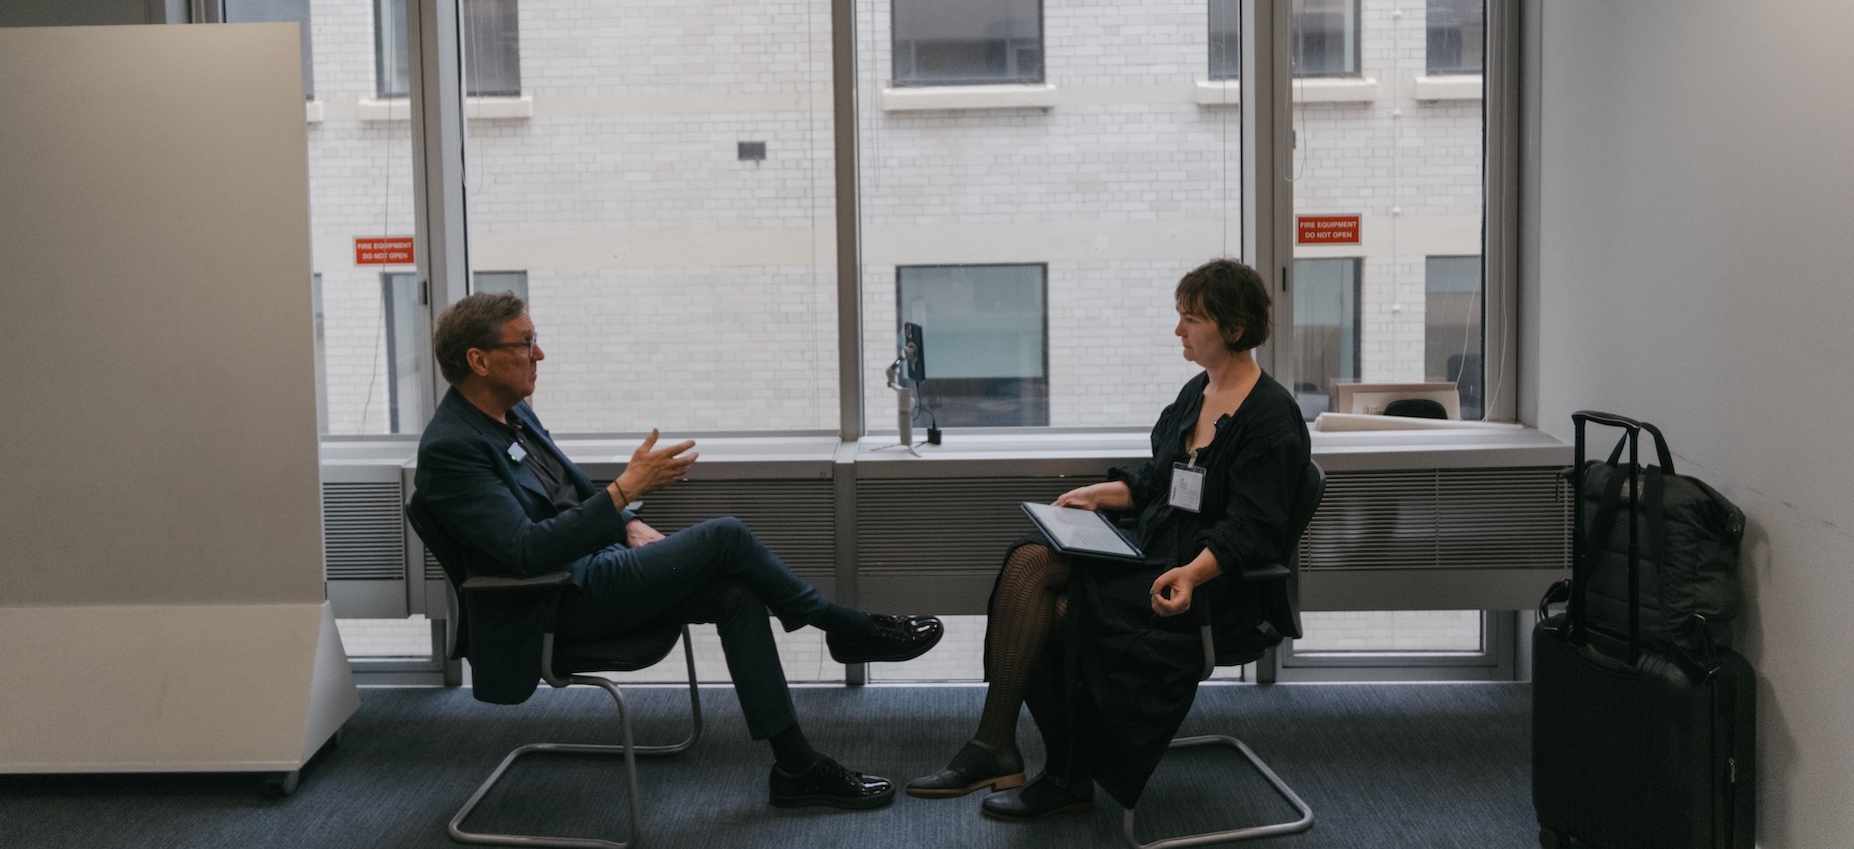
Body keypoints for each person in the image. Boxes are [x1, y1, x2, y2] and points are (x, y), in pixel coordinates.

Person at [412, 291, 944, 811]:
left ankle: (797, 768)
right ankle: (843, 627)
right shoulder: (451, 448)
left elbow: (567, 490)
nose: (540, 355)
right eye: (526, 343)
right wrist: (624, 490)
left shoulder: (513, 413)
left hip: (595, 568)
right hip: (553, 599)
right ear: (479, 361)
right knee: (726, 535)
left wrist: (626, 522)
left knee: (735, 594)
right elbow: (525, 551)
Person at [905, 259, 1310, 818]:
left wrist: (1193, 573)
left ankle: (1040, 765)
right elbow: (1161, 482)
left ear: (1234, 328)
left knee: (1045, 613)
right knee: (1029, 562)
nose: (1179, 331)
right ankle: (1004, 748)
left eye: (1192, 319)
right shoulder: (1197, 393)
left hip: (1204, 587)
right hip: (1151, 557)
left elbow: (1254, 528)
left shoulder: (1270, 418)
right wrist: (1099, 495)